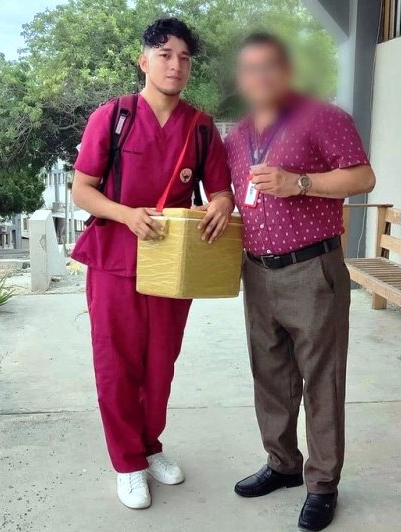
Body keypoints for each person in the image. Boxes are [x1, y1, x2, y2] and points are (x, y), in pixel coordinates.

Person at [72, 18, 234, 510]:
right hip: (115, 261)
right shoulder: (113, 117)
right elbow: (82, 190)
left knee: (161, 364)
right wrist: (126, 214)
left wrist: (222, 204)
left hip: (172, 265)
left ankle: (149, 445)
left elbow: (220, 191)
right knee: (116, 365)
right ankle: (127, 463)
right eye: (165, 55)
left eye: (184, 58)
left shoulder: (201, 127)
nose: (175, 65)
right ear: (144, 61)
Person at [225, 33, 375, 531]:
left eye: (270, 65)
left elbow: (362, 178)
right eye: (250, 68)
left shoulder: (323, 117)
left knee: (322, 380)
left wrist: (300, 183)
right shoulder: (237, 136)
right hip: (256, 271)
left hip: (312, 269)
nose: (260, 76)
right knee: (270, 374)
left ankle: (323, 484)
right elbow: (233, 195)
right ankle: (283, 464)